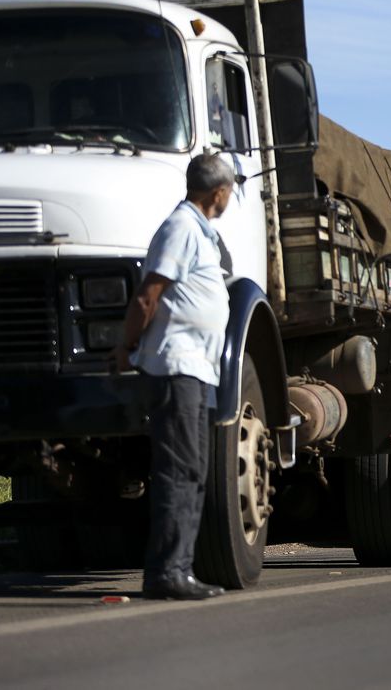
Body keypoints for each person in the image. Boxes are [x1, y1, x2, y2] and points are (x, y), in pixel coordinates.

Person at [110, 153, 234, 600]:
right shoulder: (181, 227)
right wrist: (127, 348)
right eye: (230, 190)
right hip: (175, 365)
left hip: (195, 369)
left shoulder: (199, 231)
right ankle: (167, 573)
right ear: (218, 192)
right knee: (180, 470)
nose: (231, 196)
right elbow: (148, 296)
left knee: (192, 469)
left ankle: (178, 567)